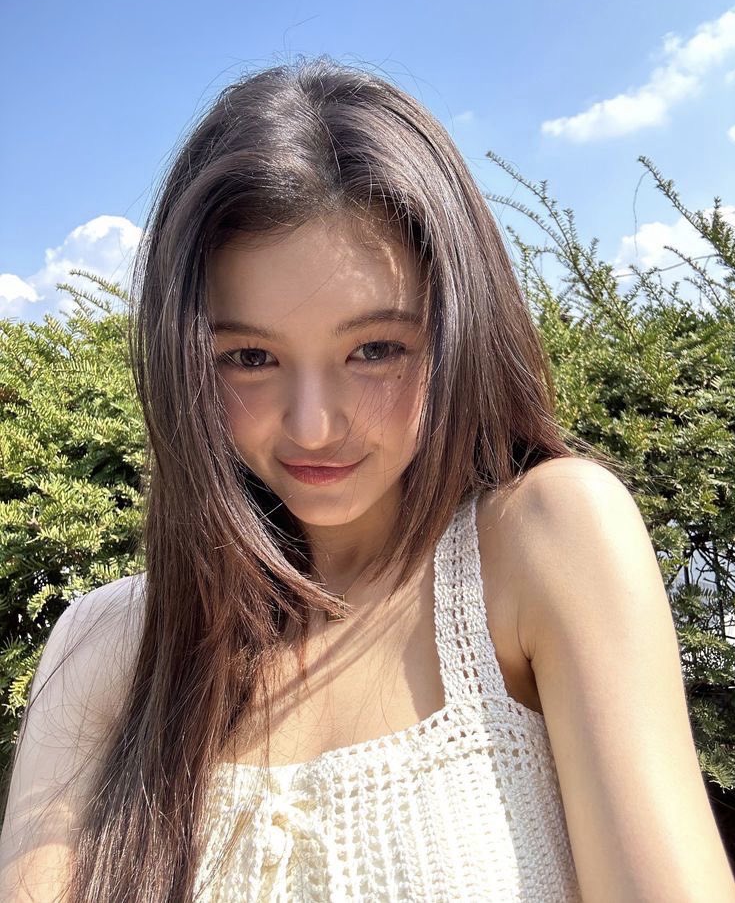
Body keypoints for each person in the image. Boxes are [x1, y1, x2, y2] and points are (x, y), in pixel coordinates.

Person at [0, 56, 732, 903]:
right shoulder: (105, 647)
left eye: (375, 349)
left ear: (457, 334)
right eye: (249, 357)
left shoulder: (542, 544)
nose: (313, 425)